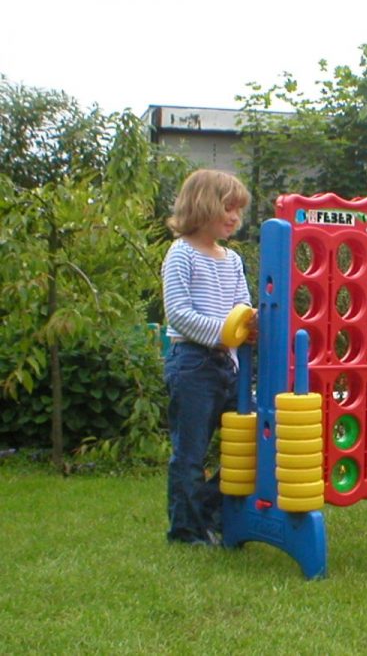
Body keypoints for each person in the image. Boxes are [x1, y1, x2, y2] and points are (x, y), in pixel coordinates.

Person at [162, 169, 255, 546]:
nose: (234, 217)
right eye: (227, 208)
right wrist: (225, 333)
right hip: (193, 363)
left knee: (249, 442)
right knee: (190, 452)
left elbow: (243, 306)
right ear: (201, 205)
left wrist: (251, 323)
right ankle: (186, 531)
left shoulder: (231, 259)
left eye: (238, 210)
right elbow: (179, 313)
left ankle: (210, 511)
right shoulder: (180, 253)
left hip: (228, 364)